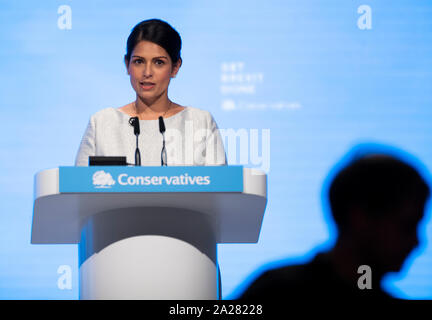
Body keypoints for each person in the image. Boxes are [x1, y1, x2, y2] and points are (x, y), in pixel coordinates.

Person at [238, 149, 430, 300]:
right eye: (407, 225)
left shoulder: (275, 287)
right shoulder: (275, 291)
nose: (417, 242)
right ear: (360, 218)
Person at [75, 19, 226, 166]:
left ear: (175, 67)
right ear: (127, 65)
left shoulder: (200, 122)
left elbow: (220, 188)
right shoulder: (102, 123)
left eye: (159, 62)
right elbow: (79, 187)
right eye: (139, 62)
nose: (147, 72)